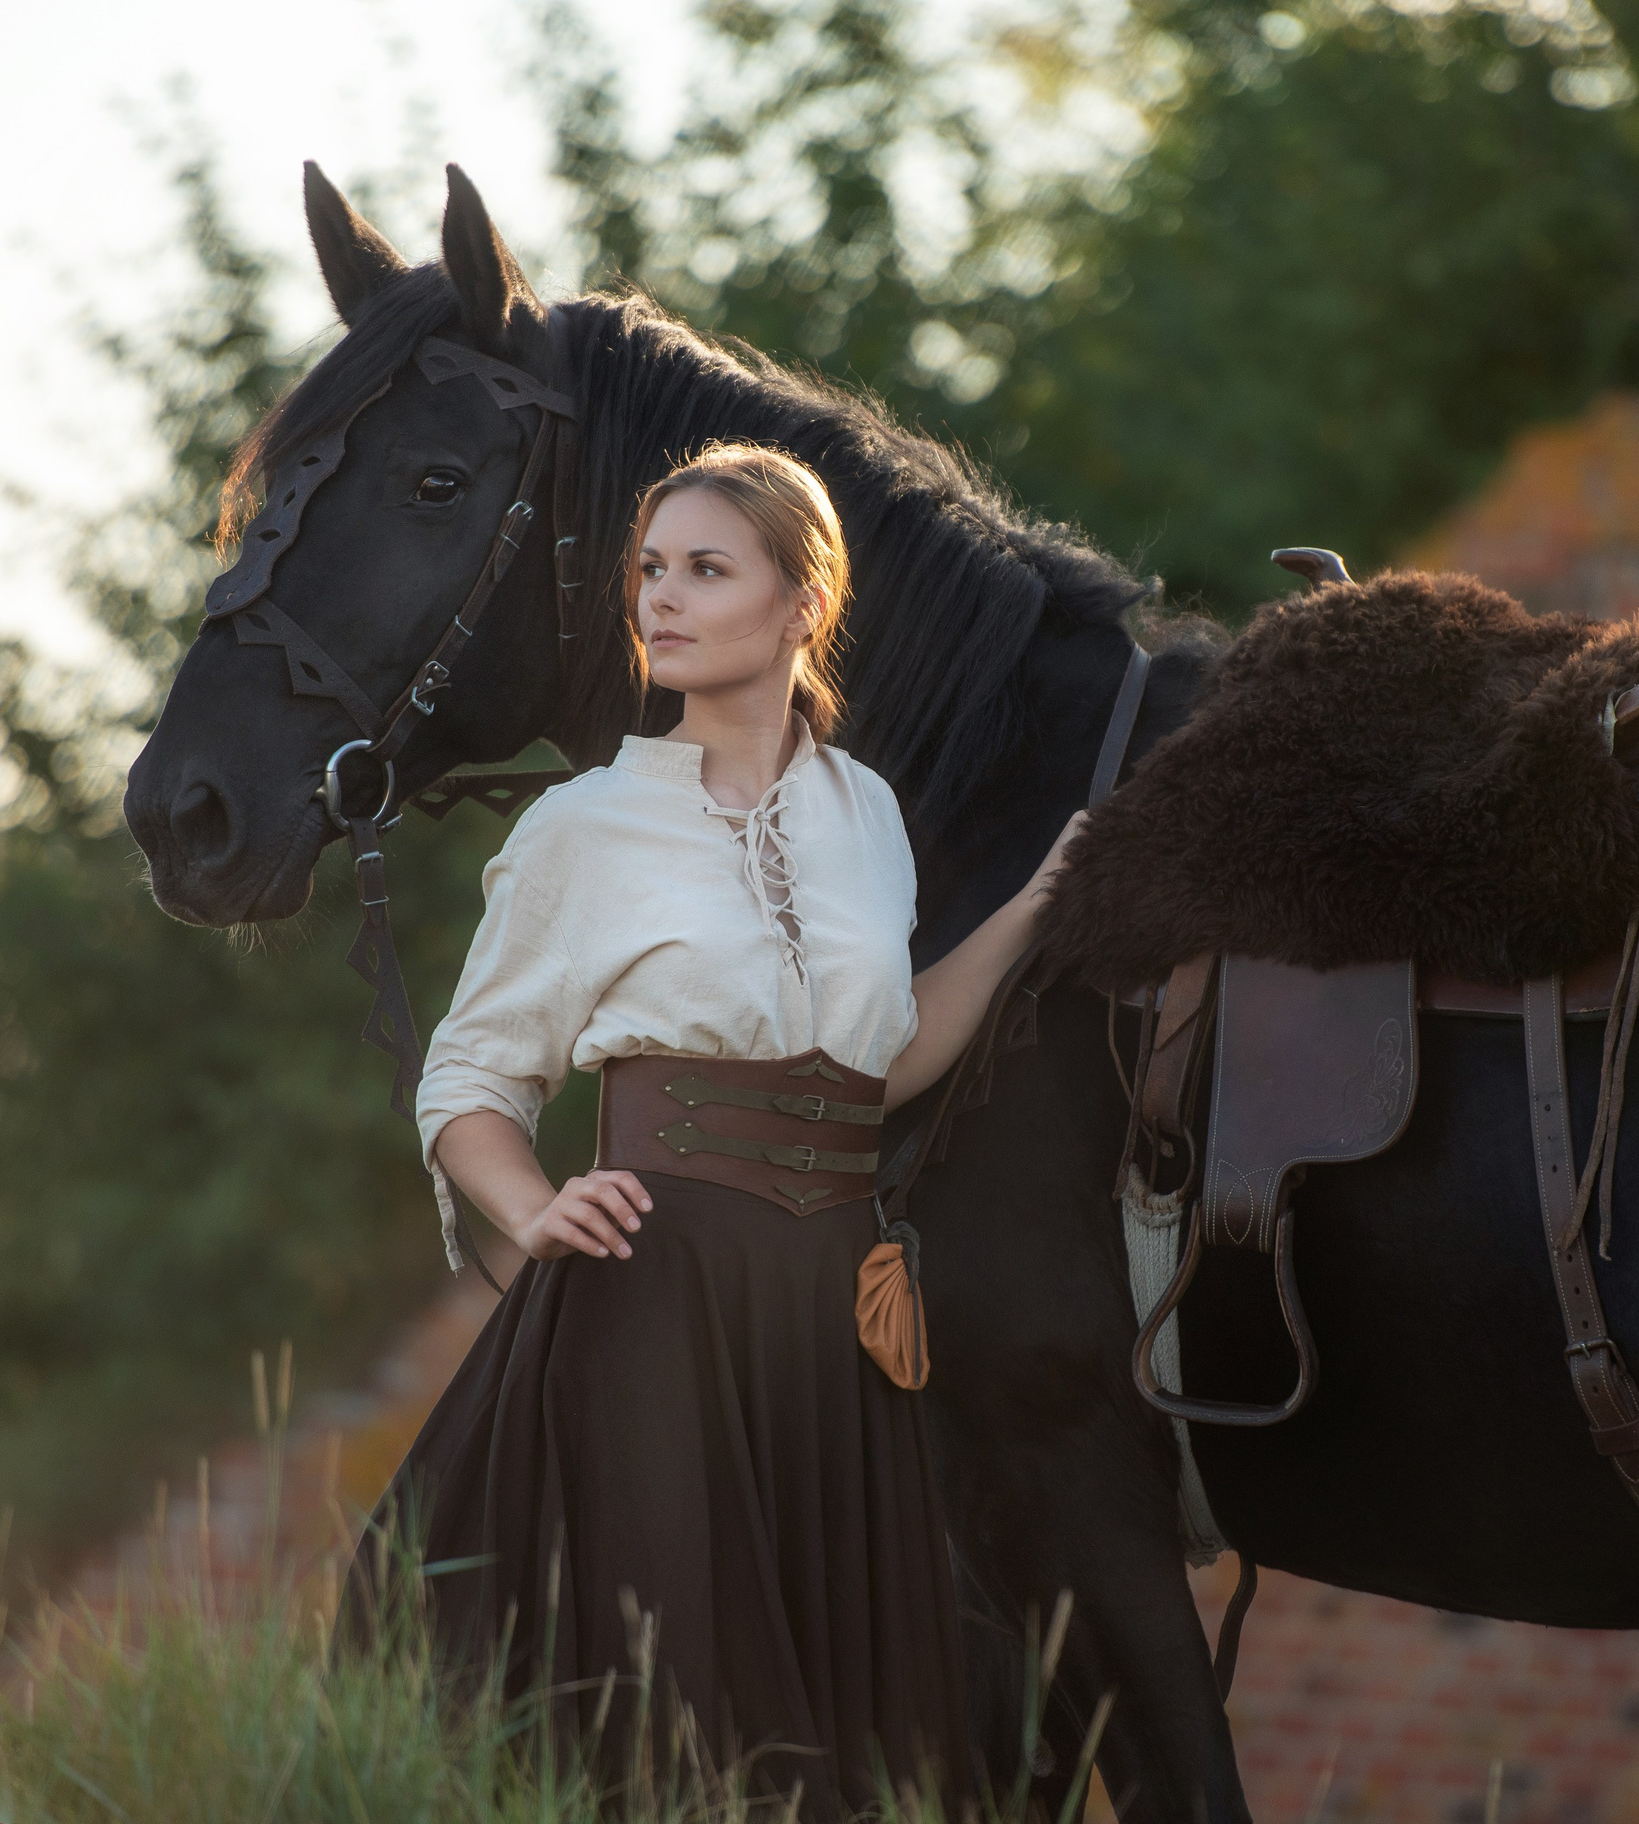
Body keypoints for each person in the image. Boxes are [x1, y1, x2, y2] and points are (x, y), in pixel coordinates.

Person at [356, 440, 1085, 1819]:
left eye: (705, 569)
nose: (661, 600)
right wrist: (534, 1206)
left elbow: (883, 1059)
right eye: (650, 571)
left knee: (848, 1734)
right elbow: (470, 1082)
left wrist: (1045, 897)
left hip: (832, 1326)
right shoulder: (587, 824)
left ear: (805, 602)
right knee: (681, 1723)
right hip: (654, 1307)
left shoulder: (866, 812)